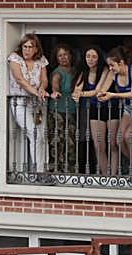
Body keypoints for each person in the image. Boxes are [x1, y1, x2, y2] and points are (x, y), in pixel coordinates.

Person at [98, 46, 132, 177]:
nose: (110, 68)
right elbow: (103, 91)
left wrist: (112, 95)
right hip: (129, 108)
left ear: (121, 63)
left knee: (129, 135)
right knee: (119, 139)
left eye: (112, 65)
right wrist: (101, 96)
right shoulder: (112, 73)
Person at [7, 33, 49, 175]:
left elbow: (44, 80)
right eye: (25, 46)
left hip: (38, 105)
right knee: (34, 134)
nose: (27, 50)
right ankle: (37, 173)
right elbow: (20, 80)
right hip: (20, 103)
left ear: (36, 49)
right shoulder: (15, 58)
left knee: (41, 136)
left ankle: (42, 170)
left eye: (31, 47)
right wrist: (36, 92)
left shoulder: (41, 61)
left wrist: (42, 88)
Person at [77, 45, 110, 175]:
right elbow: (77, 89)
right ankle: (105, 175)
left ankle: (112, 174)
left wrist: (81, 94)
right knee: (98, 145)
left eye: (94, 56)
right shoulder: (83, 72)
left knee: (112, 144)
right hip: (94, 110)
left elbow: (98, 91)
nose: (90, 59)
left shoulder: (106, 70)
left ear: (99, 58)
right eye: (88, 56)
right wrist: (77, 93)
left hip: (108, 108)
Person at [48, 43, 78, 172]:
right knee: (57, 141)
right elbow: (55, 84)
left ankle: (69, 170)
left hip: (71, 110)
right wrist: (55, 91)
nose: (63, 58)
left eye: (65, 54)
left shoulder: (75, 71)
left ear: (71, 55)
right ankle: (56, 170)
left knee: (70, 141)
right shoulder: (57, 72)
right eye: (59, 55)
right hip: (57, 111)